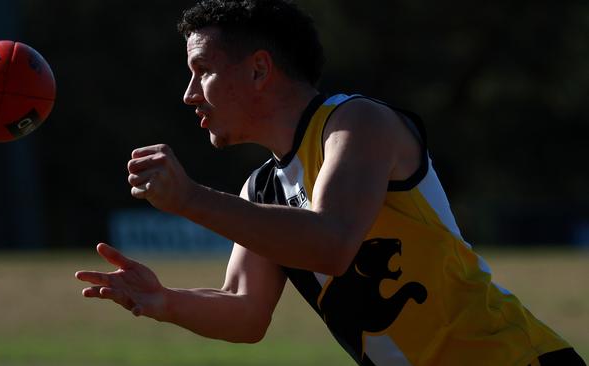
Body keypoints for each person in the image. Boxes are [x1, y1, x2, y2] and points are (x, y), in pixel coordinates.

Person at [75, 0, 586, 365]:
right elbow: (244, 312)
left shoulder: (357, 123)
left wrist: (189, 199)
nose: (189, 95)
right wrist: (164, 302)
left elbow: (333, 242)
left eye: (201, 70)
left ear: (258, 70)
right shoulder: (263, 190)